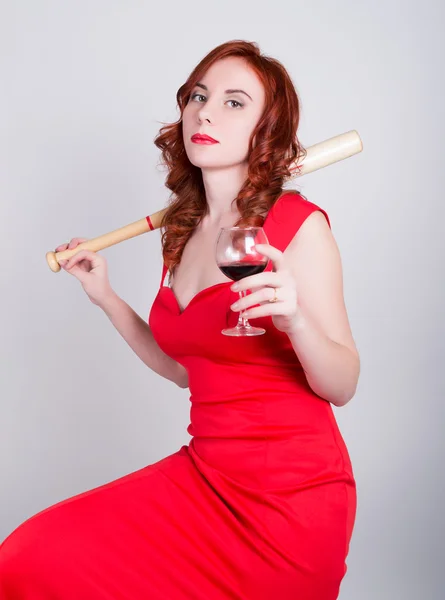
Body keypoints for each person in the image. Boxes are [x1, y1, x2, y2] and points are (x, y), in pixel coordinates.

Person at [0, 40, 360, 599]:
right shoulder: (182, 235)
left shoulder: (298, 224)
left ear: (266, 130)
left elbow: (343, 384)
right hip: (205, 478)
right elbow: (186, 371)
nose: (206, 111)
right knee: (26, 559)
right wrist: (107, 298)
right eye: (198, 95)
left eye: (234, 102)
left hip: (291, 500)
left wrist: (296, 323)